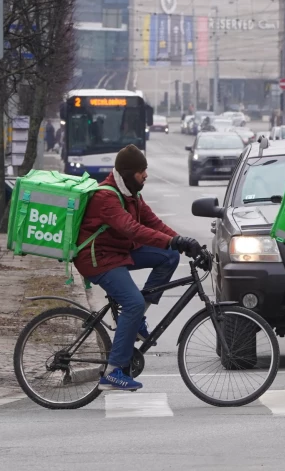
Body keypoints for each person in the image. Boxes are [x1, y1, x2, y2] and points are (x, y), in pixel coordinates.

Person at [74, 144, 202, 391]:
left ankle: (136, 320)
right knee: (131, 303)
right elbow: (131, 229)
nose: (145, 175)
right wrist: (172, 240)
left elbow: (155, 224)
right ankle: (114, 372)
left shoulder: (132, 195)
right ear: (126, 173)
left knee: (169, 256)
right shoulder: (106, 197)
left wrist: (183, 242)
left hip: (119, 252)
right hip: (99, 259)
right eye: (141, 171)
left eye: (146, 170)